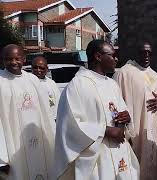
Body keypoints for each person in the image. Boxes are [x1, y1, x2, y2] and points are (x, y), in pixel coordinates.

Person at [54, 39, 139, 180]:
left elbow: (121, 111)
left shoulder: (112, 84)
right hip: (98, 157)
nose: (116, 58)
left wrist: (125, 120)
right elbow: (69, 125)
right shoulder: (77, 85)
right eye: (112, 55)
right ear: (98, 56)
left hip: (119, 150)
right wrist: (106, 130)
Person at [113, 41, 157, 180]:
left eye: (149, 53)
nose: (146, 55)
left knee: (155, 168)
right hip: (136, 131)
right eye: (143, 52)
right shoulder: (124, 73)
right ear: (135, 54)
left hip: (154, 131)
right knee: (136, 167)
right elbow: (114, 101)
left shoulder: (155, 75)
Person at [0, 44, 55, 180]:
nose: (13, 62)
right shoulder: (1, 81)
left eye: (17, 58)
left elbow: (46, 113)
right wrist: (2, 157)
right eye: (8, 59)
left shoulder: (33, 80)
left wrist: (52, 139)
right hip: (13, 145)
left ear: (24, 59)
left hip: (39, 142)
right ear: (2, 60)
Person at [32, 56, 60, 121]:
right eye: (35, 67)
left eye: (41, 68)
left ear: (47, 69)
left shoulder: (51, 83)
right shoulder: (28, 82)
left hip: (52, 118)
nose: (38, 70)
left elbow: (57, 101)